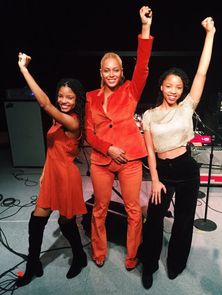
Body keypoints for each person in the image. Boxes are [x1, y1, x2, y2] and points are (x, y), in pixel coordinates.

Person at [138, 17, 216, 289]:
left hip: (186, 169)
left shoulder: (186, 108)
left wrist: (210, 34)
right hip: (163, 172)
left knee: (183, 222)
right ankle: (148, 265)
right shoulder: (149, 115)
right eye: (169, 86)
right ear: (161, 86)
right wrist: (156, 179)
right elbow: (149, 151)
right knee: (154, 221)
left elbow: (201, 73)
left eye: (178, 87)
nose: (173, 91)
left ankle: (175, 263)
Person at [85, 6, 154, 270]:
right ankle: (99, 250)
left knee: (133, 210)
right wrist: (108, 148)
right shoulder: (91, 97)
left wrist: (145, 27)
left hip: (130, 160)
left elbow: (144, 62)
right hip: (102, 160)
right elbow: (89, 134)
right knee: (99, 209)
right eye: (106, 70)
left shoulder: (131, 90)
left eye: (115, 70)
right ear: (100, 72)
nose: (111, 74)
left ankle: (132, 254)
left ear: (121, 71)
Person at [16, 53, 88, 287]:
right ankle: (32, 264)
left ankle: (79, 256)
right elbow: (52, 149)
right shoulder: (58, 120)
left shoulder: (73, 121)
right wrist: (45, 172)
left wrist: (24, 69)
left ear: (77, 100)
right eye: (60, 96)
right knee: (36, 221)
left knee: (66, 223)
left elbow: (44, 103)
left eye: (69, 97)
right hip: (52, 175)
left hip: (67, 177)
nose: (63, 100)